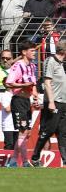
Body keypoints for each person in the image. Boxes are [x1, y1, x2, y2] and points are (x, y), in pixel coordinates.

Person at [29, 39, 66, 167]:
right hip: (54, 101)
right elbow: (47, 82)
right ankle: (35, 157)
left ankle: (65, 161)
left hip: (63, 102)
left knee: (63, 133)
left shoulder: (62, 64)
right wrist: (50, 101)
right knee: (48, 131)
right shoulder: (50, 61)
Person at [4, 41, 41, 168]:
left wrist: (35, 95)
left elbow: (33, 84)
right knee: (23, 131)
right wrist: (23, 85)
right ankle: (24, 162)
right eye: (32, 50)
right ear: (24, 52)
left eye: (35, 50)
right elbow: (9, 83)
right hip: (18, 101)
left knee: (25, 133)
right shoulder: (18, 65)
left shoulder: (32, 66)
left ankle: (14, 161)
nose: (34, 53)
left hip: (26, 101)